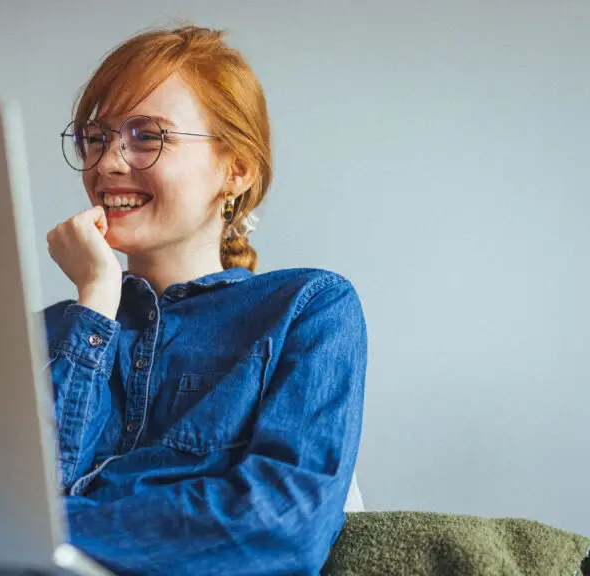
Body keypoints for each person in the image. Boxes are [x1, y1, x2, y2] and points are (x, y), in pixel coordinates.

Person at [43, 24, 367, 575]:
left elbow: (282, 525)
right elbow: (10, 499)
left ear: (236, 169)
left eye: (148, 135)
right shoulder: (53, 332)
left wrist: (35, 533)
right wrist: (96, 298)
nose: (107, 165)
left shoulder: (307, 308)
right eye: (95, 138)